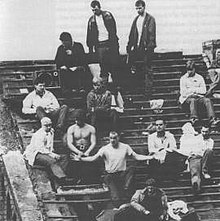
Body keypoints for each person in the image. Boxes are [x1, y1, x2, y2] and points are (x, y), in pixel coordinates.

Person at [80, 131, 154, 207]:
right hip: (110, 176)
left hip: (122, 174)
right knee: (116, 197)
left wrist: (151, 157)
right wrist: (81, 159)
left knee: (131, 169)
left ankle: (126, 188)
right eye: (110, 138)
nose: (112, 140)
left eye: (114, 138)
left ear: (118, 138)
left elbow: (137, 156)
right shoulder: (104, 149)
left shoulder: (125, 147)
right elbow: (93, 158)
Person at [23, 117, 68, 188]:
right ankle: (61, 179)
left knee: (64, 157)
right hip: (36, 154)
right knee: (51, 161)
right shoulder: (39, 134)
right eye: (46, 125)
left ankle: (57, 176)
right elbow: (40, 148)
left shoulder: (51, 131)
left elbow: (50, 144)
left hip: (47, 152)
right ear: (42, 125)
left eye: (50, 125)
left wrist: (52, 152)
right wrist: (52, 154)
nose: (49, 127)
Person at [127, 0, 156, 98]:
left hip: (146, 49)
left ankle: (148, 92)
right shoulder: (136, 19)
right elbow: (132, 34)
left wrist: (150, 47)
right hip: (137, 48)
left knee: (148, 69)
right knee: (137, 69)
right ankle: (138, 91)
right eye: (137, 8)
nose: (138, 10)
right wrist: (129, 46)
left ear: (144, 7)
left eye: (140, 8)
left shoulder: (150, 19)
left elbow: (152, 35)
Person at [86, 0, 119, 83]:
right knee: (103, 68)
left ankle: (116, 87)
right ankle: (105, 87)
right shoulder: (91, 20)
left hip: (110, 43)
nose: (94, 12)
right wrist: (91, 49)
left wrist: (114, 44)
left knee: (114, 66)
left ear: (99, 8)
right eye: (92, 10)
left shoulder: (108, 15)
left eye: (96, 9)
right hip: (100, 46)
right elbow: (89, 36)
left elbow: (113, 30)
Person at [179, 60, 220, 126]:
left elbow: (203, 90)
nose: (189, 72)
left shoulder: (199, 77)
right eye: (188, 70)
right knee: (193, 100)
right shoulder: (183, 78)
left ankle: (212, 119)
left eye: (191, 70)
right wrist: (194, 91)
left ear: (194, 69)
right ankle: (194, 118)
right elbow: (183, 92)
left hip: (199, 97)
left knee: (208, 100)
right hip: (187, 98)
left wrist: (191, 90)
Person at [66, 109, 99, 184]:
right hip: (76, 149)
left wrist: (88, 152)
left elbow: (93, 142)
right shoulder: (71, 128)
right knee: (74, 162)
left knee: (89, 164)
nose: (77, 122)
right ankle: (75, 180)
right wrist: (78, 152)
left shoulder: (90, 128)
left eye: (79, 120)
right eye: (76, 120)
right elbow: (69, 143)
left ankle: (88, 180)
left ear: (83, 119)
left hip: (87, 148)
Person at [179, 124, 214, 195]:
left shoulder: (211, 141)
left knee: (209, 151)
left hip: (204, 158)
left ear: (209, 132)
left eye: (206, 132)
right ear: (201, 131)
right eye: (203, 131)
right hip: (195, 157)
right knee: (195, 170)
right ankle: (196, 186)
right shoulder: (196, 138)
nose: (204, 133)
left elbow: (206, 152)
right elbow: (190, 150)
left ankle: (204, 171)